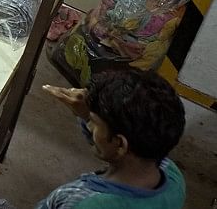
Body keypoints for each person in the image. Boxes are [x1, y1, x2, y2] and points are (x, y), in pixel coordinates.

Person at [38, 69, 186, 209]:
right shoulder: (173, 177)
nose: (89, 127)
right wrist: (86, 114)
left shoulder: (79, 201)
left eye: (93, 123)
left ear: (121, 145)